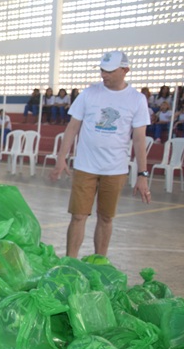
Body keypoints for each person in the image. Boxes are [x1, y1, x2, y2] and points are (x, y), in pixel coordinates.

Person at [49, 51, 151, 258]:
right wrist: (61, 158)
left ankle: (100, 261)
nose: (104, 75)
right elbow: (72, 127)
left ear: (125, 70)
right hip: (85, 166)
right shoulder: (89, 94)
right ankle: (70, 262)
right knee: (78, 215)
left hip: (115, 169)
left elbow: (139, 139)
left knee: (106, 218)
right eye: (102, 70)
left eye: (110, 71)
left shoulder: (137, 100)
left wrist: (142, 174)